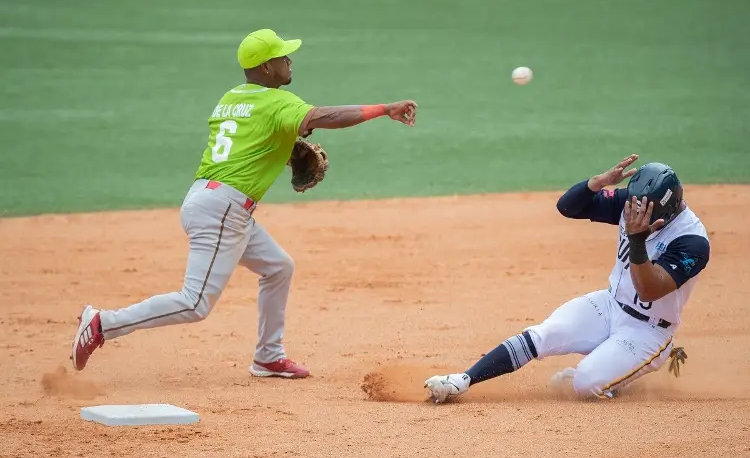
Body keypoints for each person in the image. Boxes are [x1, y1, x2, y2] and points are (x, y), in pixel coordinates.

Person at [71, 28, 418, 379]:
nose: (289, 60)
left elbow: (247, 144)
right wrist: (384, 109)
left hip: (207, 199)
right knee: (195, 302)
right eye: (282, 57)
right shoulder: (278, 102)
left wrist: (280, 153)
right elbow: (324, 117)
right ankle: (103, 323)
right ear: (266, 68)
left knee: (278, 267)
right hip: (224, 209)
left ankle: (269, 356)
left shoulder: (231, 98)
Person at [424, 155, 710, 402]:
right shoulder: (634, 203)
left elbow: (649, 290)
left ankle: (635, 368)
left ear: (668, 209)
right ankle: (463, 380)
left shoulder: (692, 242)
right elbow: (568, 207)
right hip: (610, 303)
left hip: (648, 331)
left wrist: (637, 241)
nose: (635, 213)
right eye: (634, 206)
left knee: (585, 383)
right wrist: (595, 184)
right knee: (543, 334)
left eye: (644, 211)